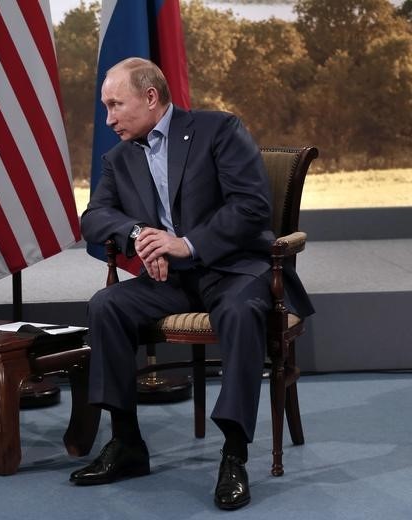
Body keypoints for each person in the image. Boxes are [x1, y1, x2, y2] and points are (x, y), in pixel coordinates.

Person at [74, 57, 314, 510]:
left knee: (240, 312)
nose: (108, 119)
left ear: (150, 97)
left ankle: (234, 453)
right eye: (105, 107)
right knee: (106, 305)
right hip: (173, 281)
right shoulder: (119, 157)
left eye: (115, 105)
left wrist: (186, 244)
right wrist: (141, 236)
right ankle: (126, 443)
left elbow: (251, 208)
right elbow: (94, 218)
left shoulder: (217, 130)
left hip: (238, 269)